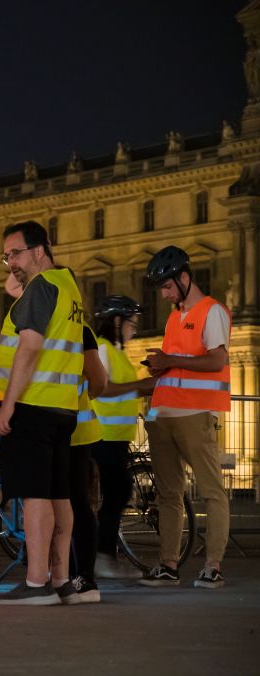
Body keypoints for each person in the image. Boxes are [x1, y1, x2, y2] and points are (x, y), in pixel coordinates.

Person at [0, 220, 84, 606]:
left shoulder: (41, 288)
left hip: (32, 405)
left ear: (40, 250)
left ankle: (34, 583)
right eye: (6, 255)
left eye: (16, 253)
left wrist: (8, 404)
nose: (10, 262)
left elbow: (28, 350)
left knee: (34, 497)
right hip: (62, 408)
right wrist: (18, 283)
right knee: (60, 496)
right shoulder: (67, 286)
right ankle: (61, 580)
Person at [139, 246, 231, 589]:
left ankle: (213, 565)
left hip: (195, 413)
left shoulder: (212, 311)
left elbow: (216, 361)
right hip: (165, 413)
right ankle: (168, 564)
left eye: (166, 286)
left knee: (211, 491)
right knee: (168, 493)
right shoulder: (174, 316)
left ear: (183, 277)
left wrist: (170, 362)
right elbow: (174, 363)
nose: (163, 294)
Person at [91, 295, 155, 579]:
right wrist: (141, 385)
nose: (135, 329)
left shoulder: (115, 351)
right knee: (118, 492)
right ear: (116, 321)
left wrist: (142, 386)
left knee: (116, 493)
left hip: (115, 436)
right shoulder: (103, 348)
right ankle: (103, 557)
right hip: (103, 435)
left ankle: (104, 556)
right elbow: (103, 389)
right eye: (132, 322)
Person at [67, 322, 107, 603]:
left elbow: (99, 381)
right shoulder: (80, 330)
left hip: (65, 430)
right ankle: (77, 575)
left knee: (71, 504)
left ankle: (78, 575)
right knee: (75, 503)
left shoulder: (73, 329)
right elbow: (99, 381)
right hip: (73, 429)